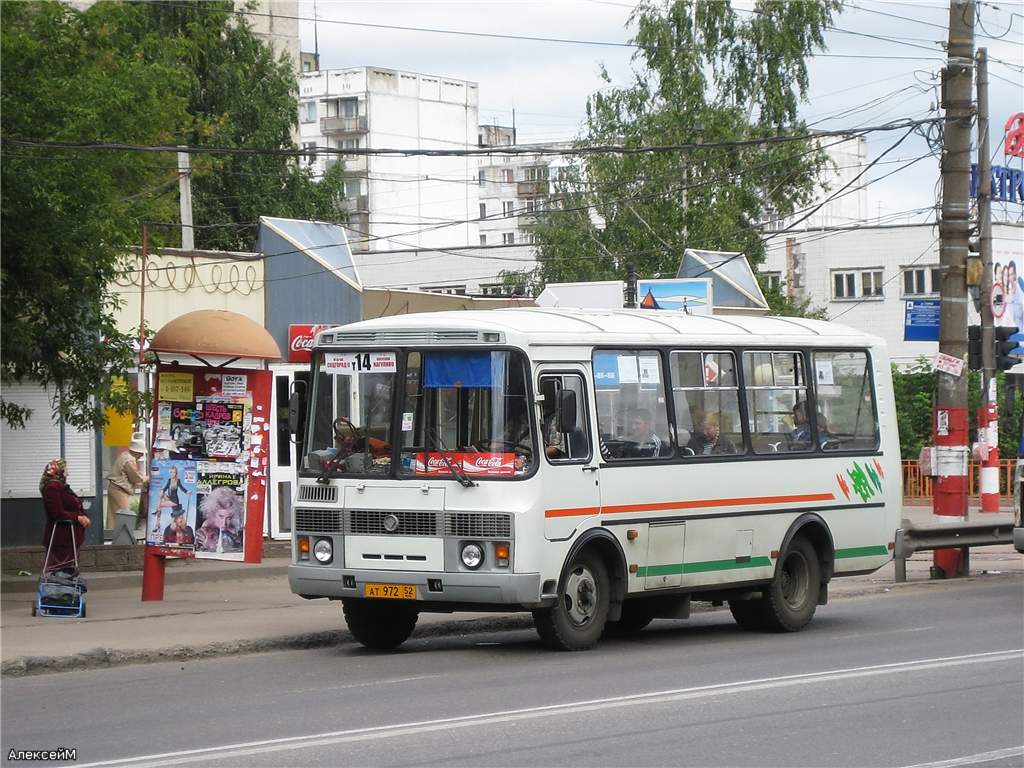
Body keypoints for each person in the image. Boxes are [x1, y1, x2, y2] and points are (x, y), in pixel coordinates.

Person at [40, 459, 90, 573]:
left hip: (69, 539)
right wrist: (78, 517)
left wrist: (83, 516)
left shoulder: (61, 486)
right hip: (61, 539)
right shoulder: (52, 488)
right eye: (66, 470)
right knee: (60, 573)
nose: (68, 473)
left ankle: (66, 590)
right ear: (60, 472)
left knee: (68, 572)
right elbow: (56, 513)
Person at [105, 432, 147, 529]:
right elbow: (135, 477)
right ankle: (123, 538)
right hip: (119, 489)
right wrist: (145, 478)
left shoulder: (124, 455)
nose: (141, 455)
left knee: (113, 516)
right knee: (125, 515)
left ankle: (112, 537)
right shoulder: (129, 460)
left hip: (115, 488)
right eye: (141, 453)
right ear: (136, 451)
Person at [195, 486, 244, 553]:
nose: (224, 523)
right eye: (221, 516)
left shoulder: (234, 531)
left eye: (229, 518)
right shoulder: (203, 534)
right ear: (212, 513)